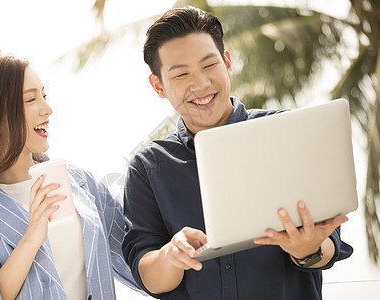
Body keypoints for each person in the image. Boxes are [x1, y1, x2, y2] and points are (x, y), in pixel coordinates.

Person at [122, 7, 353, 300]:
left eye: (209, 66)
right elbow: (148, 275)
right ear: (159, 86)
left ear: (227, 62)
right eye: (181, 74)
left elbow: (329, 243)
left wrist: (307, 250)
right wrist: (170, 256)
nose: (201, 84)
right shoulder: (149, 167)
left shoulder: (287, 133)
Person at [0, 50, 139, 299]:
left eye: (44, 95)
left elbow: (134, 254)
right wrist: (31, 239)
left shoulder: (78, 180)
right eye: (31, 100)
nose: (47, 109)